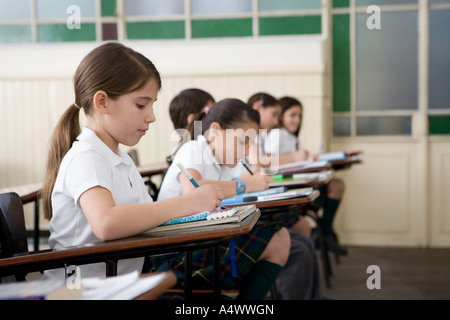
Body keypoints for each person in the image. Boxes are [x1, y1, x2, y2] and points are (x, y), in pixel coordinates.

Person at [40, 42, 224, 280]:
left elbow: (149, 220)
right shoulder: (86, 157)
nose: (152, 116)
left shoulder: (120, 158)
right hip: (80, 293)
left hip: (119, 284)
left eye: (152, 105)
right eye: (141, 105)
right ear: (102, 102)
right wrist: (188, 202)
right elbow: (106, 223)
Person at [154, 98, 290, 300]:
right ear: (215, 131)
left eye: (250, 143)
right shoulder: (194, 149)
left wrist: (249, 164)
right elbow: (192, 190)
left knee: (279, 234)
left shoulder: (224, 162)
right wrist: (242, 184)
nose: (246, 150)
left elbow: (246, 180)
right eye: (243, 141)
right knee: (278, 239)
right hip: (178, 249)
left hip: (206, 238)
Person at [245, 92, 323, 300]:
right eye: (274, 114)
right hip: (254, 213)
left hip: (261, 203)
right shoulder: (248, 140)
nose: (276, 120)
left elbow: (262, 169)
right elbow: (261, 166)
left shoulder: (257, 138)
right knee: (299, 239)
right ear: (257, 107)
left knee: (303, 240)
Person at [266, 96, 348, 256]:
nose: (297, 120)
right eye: (293, 115)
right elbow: (269, 162)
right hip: (292, 189)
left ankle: (325, 233)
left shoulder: (292, 137)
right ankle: (324, 235)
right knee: (336, 185)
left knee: (337, 184)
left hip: (302, 184)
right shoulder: (277, 134)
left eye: (300, 116)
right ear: (281, 115)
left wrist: (309, 159)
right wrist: (295, 157)